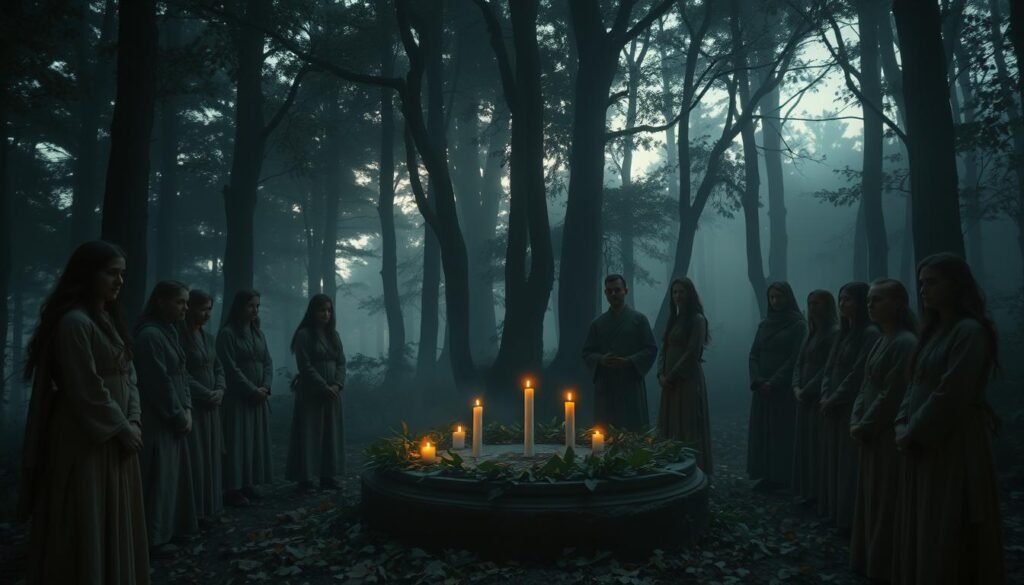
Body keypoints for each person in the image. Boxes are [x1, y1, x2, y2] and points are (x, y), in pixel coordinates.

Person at [18, 240, 150, 584]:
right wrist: (122, 427)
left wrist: (134, 419)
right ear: (87, 274)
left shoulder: (107, 319)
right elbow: (85, 387)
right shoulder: (74, 323)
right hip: (88, 438)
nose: (119, 281)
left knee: (115, 513)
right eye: (111, 273)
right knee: (88, 515)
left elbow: (129, 374)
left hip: (120, 435)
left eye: (122, 274)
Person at [892, 254, 1006, 585]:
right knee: (926, 518)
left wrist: (912, 430)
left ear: (956, 285)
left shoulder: (969, 332)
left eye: (933, 281)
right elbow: (914, 384)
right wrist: (901, 423)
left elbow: (951, 393)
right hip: (922, 439)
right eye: (922, 282)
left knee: (949, 517)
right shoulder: (933, 331)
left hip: (955, 442)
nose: (924, 289)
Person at [849, 279, 917, 580]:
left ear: (898, 303)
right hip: (869, 428)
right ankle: (871, 558)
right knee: (872, 494)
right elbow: (866, 384)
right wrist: (856, 419)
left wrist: (866, 424)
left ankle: (887, 562)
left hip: (886, 432)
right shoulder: (882, 338)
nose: (870, 305)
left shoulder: (905, 342)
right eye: (869, 301)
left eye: (878, 300)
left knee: (886, 495)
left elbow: (892, 393)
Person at [135, 280, 200, 551]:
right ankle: (152, 538)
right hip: (157, 416)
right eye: (179, 302)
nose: (185, 307)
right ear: (161, 301)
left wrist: (186, 408)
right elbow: (157, 381)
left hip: (175, 413)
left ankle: (171, 529)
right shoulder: (149, 335)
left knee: (172, 474)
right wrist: (176, 414)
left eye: (186, 302)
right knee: (157, 475)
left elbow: (182, 374)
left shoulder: (171, 331)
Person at [817, 282, 879, 531]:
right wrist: (825, 394)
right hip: (831, 403)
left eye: (849, 299)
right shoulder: (843, 332)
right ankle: (835, 512)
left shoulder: (869, 334)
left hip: (850, 406)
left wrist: (835, 398)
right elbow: (829, 367)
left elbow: (857, 374)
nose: (843, 304)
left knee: (849, 462)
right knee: (833, 459)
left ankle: (850, 518)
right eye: (841, 299)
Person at [747, 282, 807, 491]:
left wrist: (774, 381)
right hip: (762, 387)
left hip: (782, 388)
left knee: (781, 432)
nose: (775, 301)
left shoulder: (798, 324)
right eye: (772, 297)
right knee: (763, 430)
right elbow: (754, 354)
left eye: (779, 297)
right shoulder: (764, 325)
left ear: (788, 297)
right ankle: (766, 474)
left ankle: (783, 477)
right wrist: (758, 380)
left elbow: (796, 358)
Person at [286, 294, 348, 491]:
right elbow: (305, 366)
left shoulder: (334, 335)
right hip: (311, 392)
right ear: (313, 311)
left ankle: (327, 475)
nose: (326, 314)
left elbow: (341, 363)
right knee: (309, 432)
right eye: (322, 310)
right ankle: (305, 478)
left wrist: (337, 384)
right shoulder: (304, 335)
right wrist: (323, 386)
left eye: (329, 310)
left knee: (330, 432)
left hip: (332, 392)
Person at [217, 289, 273, 506]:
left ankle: (249, 482)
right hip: (238, 398)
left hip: (258, 396)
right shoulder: (227, 334)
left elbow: (268, 362)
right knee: (237, 441)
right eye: (251, 306)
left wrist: (265, 387)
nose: (255, 310)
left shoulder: (258, 333)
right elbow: (229, 368)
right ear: (239, 307)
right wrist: (251, 390)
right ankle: (233, 488)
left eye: (257, 306)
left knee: (254, 442)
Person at [582, 274, 658, 431]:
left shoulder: (639, 320)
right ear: (605, 293)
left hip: (630, 383)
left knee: (633, 428)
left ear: (626, 291)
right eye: (609, 291)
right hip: (606, 385)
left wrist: (630, 360)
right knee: (605, 429)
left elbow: (650, 349)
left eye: (617, 290)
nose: (613, 294)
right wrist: (601, 359)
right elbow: (587, 352)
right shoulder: (597, 324)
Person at [656, 277, 713, 474]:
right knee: (671, 421)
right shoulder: (674, 319)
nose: (678, 296)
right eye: (675, 292)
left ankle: (694, 470)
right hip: (669, 382)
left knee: (689, 422)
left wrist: (672, 376)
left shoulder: (697, 320)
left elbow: (692, 352)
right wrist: (660, 374)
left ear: (689, 294)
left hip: (687, 380)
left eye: (682, 292)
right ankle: (673, 465)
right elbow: (664, 348)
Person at [178, 289, 226, 523]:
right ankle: (195, 510)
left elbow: (219, 367)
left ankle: (211, 506)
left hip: (212, 406)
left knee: (211, 455)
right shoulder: (179, 336)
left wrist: (220, 389)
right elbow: (182, 374)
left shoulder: (208, 337)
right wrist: (205, 393)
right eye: (202, 308)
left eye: (209, 309)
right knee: (196, 457)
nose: (206, 314)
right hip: (194, 406)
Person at [791, 289, 838, 503]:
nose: (812, 308)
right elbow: (799, 363)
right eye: (810, 303)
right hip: (804, 397)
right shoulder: (810, 333)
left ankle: (820, 493)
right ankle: (807, 490)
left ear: (828, 306)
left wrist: (808, 388)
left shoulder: (834, 333)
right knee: (805, 444)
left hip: (818, 396)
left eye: (817, 303)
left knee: (819, 445)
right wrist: (796, 386)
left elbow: (829, 367)